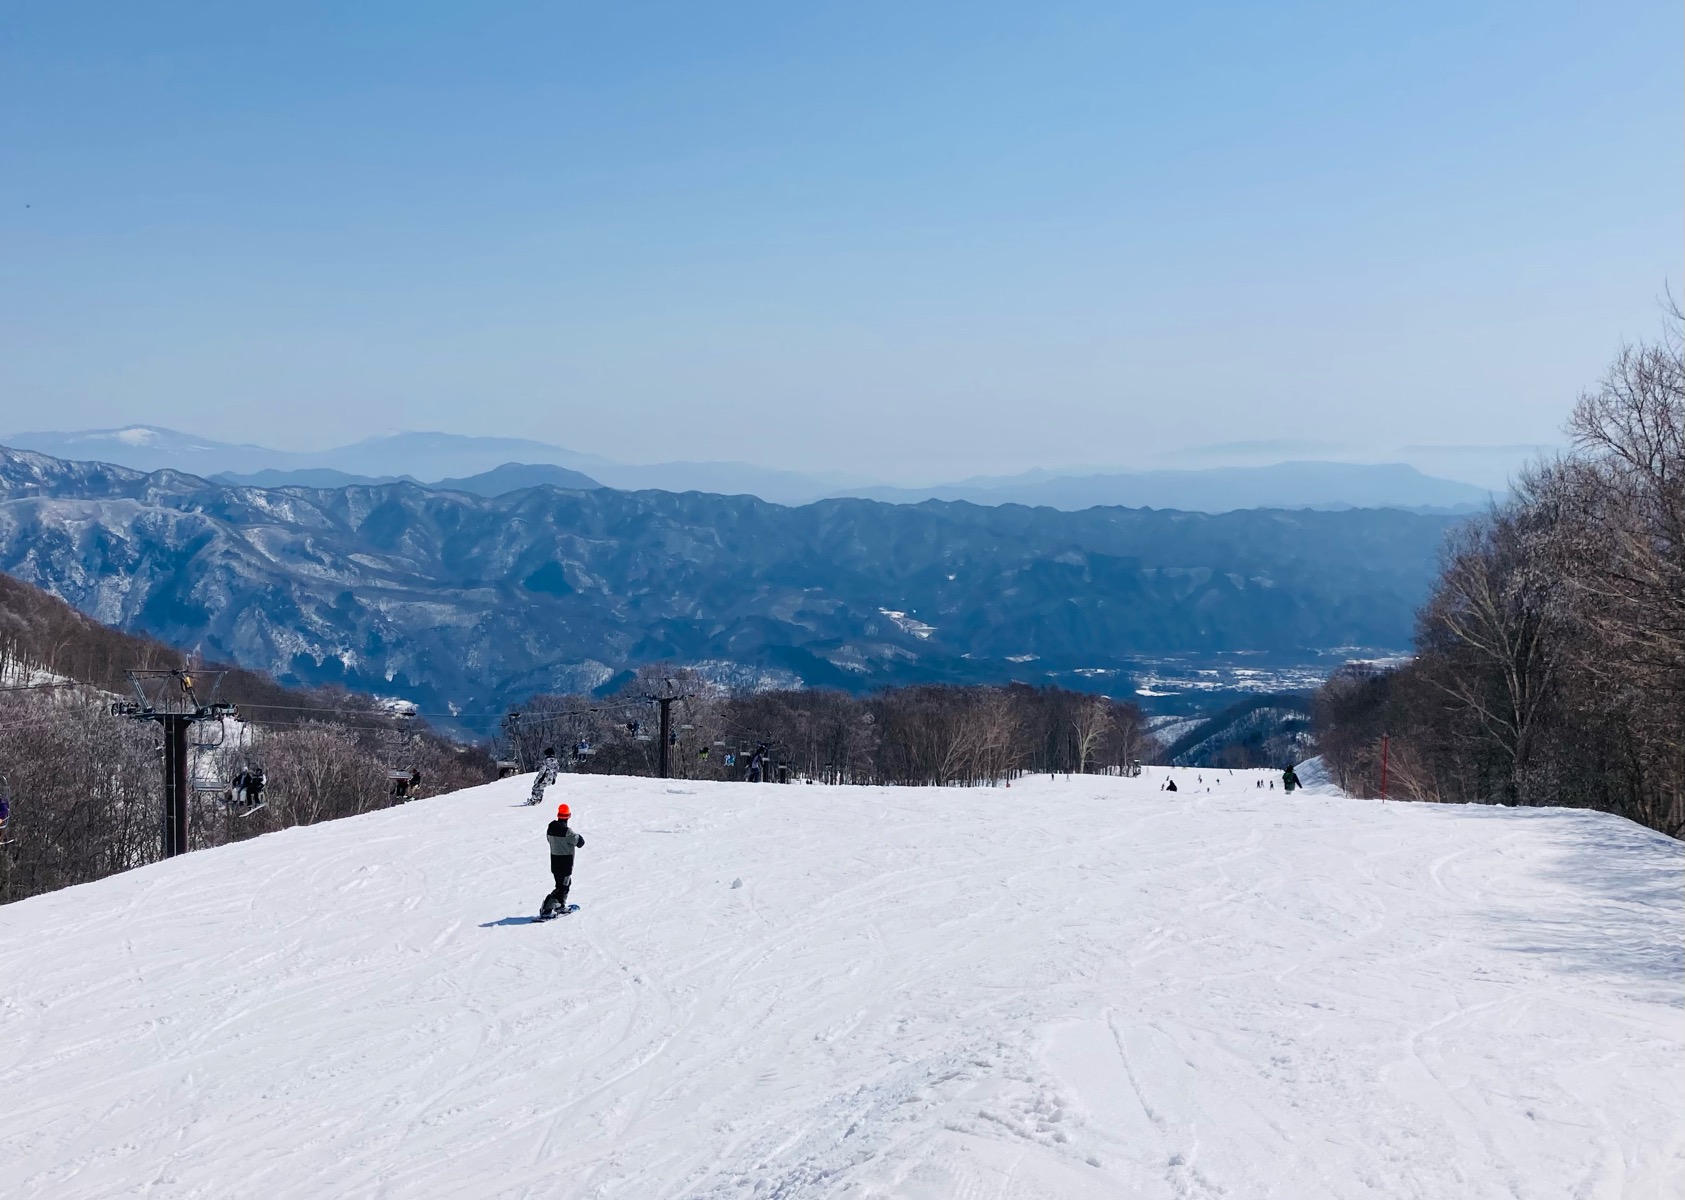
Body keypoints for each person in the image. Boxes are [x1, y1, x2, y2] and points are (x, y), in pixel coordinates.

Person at [539, 802, 584, 919]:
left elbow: (549, 840)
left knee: (563, 884)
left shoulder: (551, 827)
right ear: (569, 816)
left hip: (554, 860)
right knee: (562, 887)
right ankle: (547, 908)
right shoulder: (567, 831)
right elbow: (580, 842)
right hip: (565, 862)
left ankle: (560, 905)